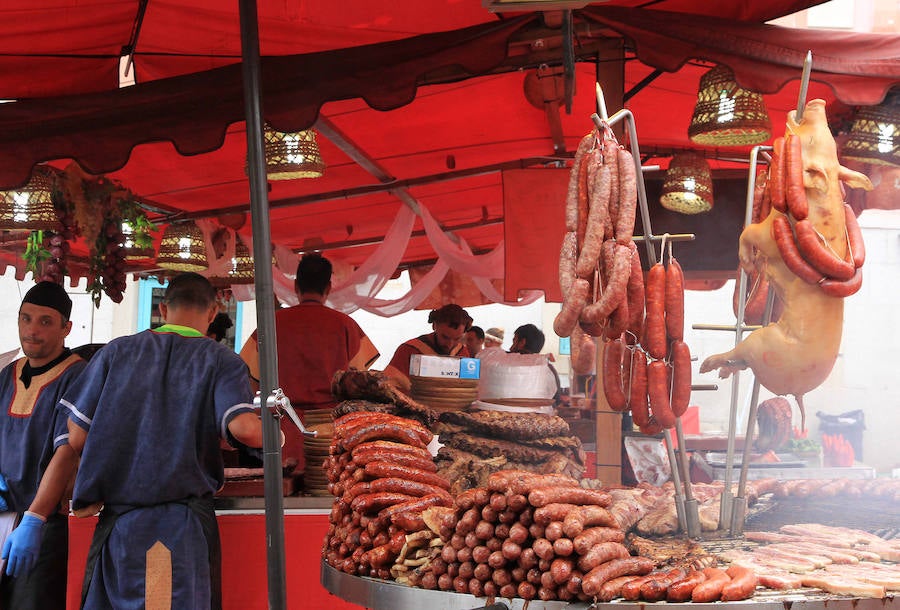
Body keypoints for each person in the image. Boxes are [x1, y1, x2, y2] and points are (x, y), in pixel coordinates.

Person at [35, 272, 264, 609]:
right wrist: (279, 434)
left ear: (164, 309)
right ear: (213, 312)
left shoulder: (117, 352)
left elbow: (78, 433)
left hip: (119, 525)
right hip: (177, 530)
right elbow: (243, 428)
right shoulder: (220, 359)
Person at [240, 252, 379, 466]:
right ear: (329, 287)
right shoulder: (346, 325)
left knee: (281, 490)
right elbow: (360, 383)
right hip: (330, 432)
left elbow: (249, 382)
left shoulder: (270, 324)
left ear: (296, 286)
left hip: (279, 431)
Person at [0, 282, 86, 610]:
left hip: (46, 525)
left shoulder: (78, 375)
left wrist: (35, 518)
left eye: (45, 322)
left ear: (66, 328)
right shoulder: (8, 372)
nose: (32, 331)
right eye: (26, 319)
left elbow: (68, 450)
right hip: (4, 515)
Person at [384, 304, 473, 392]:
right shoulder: (408, 350)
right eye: (445, 337)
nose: (450, 344)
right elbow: (388, 387)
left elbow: (467, 389)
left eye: (457, 339)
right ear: (434, 326)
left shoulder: (462, 353)